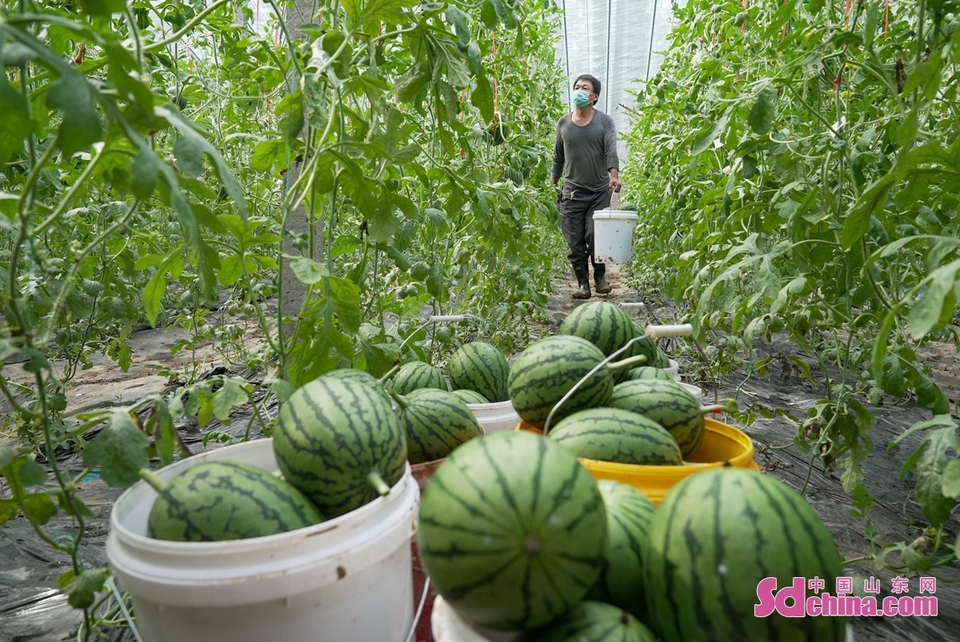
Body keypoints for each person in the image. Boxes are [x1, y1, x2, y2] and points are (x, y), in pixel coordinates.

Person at [551, 74, 621, 299]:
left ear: (594, 97)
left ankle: (600, 277)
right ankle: (583, 283)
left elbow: (611, 149)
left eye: (585, 88)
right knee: (574, 242)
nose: (579, 91)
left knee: (595, 236)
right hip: (571, 193)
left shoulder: (604, 122)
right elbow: (558, 157)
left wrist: (614, 175)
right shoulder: (563, 123)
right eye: (577, 87)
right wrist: (554, 181)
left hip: (599, 191)